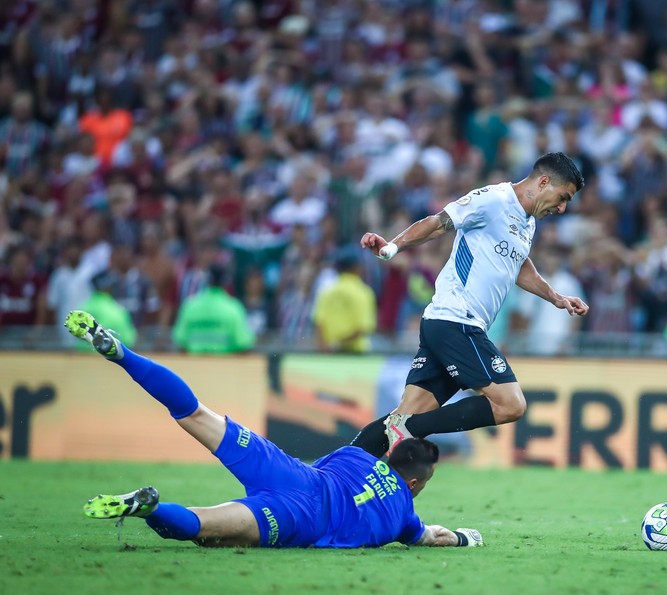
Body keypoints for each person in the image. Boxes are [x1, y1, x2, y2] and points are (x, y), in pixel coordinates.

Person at [64, 310, 484, 550]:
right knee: (205, 526)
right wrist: (467, 538)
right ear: (413, 484)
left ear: (389, 453)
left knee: (195, 414)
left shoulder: (357, 454)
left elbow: (367, 439)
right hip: (299, 518)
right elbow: (435, 537)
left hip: (292, 473)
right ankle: (149, 507)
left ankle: (122, 354)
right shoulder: (403, 518)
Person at [355, 152, 588, 456]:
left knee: (402, 416)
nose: (562, 207)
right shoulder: (494, 200)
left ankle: (331, 473)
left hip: (447, 324)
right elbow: (438, 223)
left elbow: (517, 263)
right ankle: (412, 430)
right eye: (563, 197)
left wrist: (555, 297)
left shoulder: (527, 222)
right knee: (510, 404)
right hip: (457, 321)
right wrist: (392, 246)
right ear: (544, 182)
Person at [172, 265, 255, 354]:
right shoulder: (234, 308)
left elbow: (180, 343)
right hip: (225, 365)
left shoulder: (189, 306)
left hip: (194, 365)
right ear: (225, 282)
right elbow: (244, 344)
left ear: (207, 281)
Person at [312, 249, 377, 353]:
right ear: (357, 267)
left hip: (329, 356)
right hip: (356, 356)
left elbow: (318, 322)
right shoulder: (363, 292)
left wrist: (326, 345)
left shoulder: (327, 290)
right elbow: (363, 328)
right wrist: (339, 344)